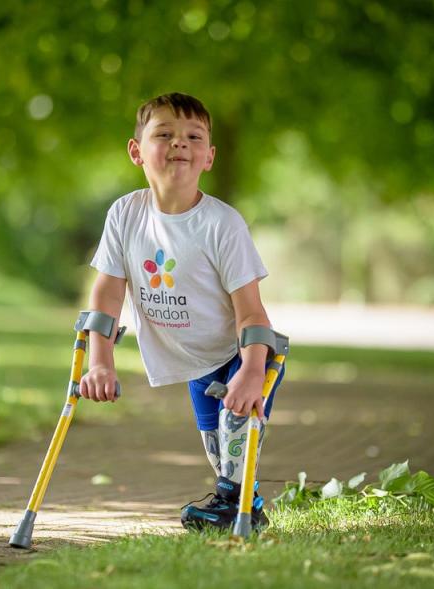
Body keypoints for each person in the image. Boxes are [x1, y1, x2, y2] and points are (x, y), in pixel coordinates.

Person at [79, 92, 285, 531]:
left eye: (193, 136)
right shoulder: (125, 214)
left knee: (236, 426)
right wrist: (100, 362)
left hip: (240, 354)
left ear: (209, 156)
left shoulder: (222, 224)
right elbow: (107, 298)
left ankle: (235, 509)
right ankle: (245, 503)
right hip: (195, 361)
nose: (179, 144)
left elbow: (251, 312)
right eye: (165, 134)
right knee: (218, 448)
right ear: (137, 151)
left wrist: (251, 371)